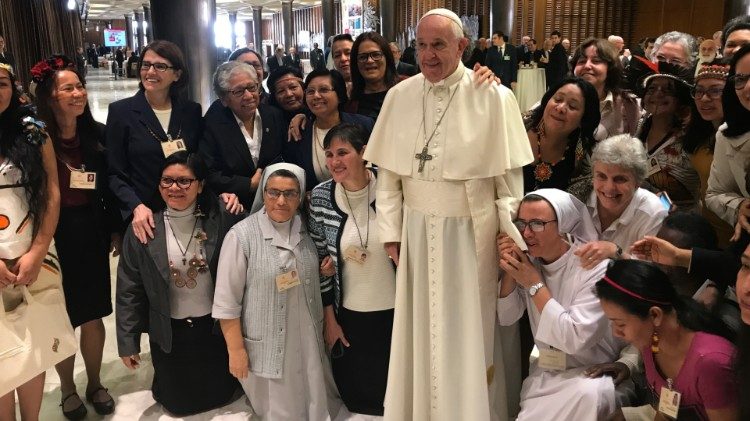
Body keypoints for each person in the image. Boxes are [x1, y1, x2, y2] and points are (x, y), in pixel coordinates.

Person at [362, 8, 534, 420]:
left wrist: (510, 236)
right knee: (421, 327)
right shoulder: (399, 96)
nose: (428, 55)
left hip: (472, 233)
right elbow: (389, 178)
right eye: (421, 45)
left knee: (468, 330)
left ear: (462, 46)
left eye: (438, 44)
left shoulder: (493, 96)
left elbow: (509, 183)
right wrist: (391, 233)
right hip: (416, 231)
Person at [116, 152, 243, 416]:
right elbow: (129, 287)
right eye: (167, 181)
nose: (175, 188)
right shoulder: (143, 227)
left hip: (214, 329)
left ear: (201, 185)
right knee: (177, 402)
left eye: (185, 181)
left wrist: (232, 198)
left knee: (222, 394)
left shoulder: (221, 216)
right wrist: (128, 342)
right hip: (169, 331)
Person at [212, 163, 342, 419]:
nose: (281, 201)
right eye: (273, 192)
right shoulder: (241, 236)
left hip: (306, 337)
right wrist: (235, 350)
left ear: (301, 196)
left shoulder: (307, 230)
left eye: (290, 193)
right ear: (263, 192)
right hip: (269, 342)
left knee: (313, 397)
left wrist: (323, 270)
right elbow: (227, 301)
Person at [31, 55, 119, 419]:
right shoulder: (35, 138)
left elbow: (111, 185)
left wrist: (115, 228)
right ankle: (67, 388)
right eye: (68, 88)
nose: (78, 93)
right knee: (59, 314)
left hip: (90, 229)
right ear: (50, 97)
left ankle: (95, 382)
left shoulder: (96, 135)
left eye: (80, 86)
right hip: (51, 234)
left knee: (93, 312)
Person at [497, 189, 629, 420]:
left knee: (588, 396)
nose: (527, 233)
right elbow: (507, 317)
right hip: (547, 374)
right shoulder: (532, 263)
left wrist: (534, 284)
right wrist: (511, 266)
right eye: (522, 224)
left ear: (564, 225)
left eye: (537, 224)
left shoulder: (594, 268)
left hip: (592, 374)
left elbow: (574, 338)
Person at [308, 124, 396, 416]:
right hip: (349, 316)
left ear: (364, 153)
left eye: (343, 152)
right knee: (358, 403)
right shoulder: (321, 197)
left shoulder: (392, 187)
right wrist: (330, 320)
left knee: (396, 399)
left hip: (397, 312)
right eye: (329, 154)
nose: (334, 161)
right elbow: (321, 265)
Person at [595, 259, 738, 420]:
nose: (616, 333)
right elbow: (669, 407)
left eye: (620, 324)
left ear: (655, 315)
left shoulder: (711, 363)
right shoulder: (652, 343)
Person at [0, 63, 61, 421]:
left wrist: (38, 250)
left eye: (2, 84)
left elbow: (51, 191)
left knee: (34, 344)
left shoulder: (34, 132)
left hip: (31, 254)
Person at [106, 40, 203, 244]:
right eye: (146, 65)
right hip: (143, 215)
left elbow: (199, 161)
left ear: (177, 74)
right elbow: (115, 173)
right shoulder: (121, 112)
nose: (150, 71)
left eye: (160, 66)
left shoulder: (191, 111)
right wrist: (135, 207)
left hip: (186, 211)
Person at [573, 135, 667, 270]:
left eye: (620, 179)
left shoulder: (653, 213)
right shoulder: (578, 197)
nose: (609, 188)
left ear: (638, 182)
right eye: (602, 176)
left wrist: (615, 252)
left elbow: (649, 272)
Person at [201, 61, 285, 209]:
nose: (248, 96)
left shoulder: (274, 116)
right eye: (238, 91)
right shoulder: (212, 125)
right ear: (224, 99)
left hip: (276, 203)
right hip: (235, 206)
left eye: (252, 87)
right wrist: (249, 185)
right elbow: (210, 173)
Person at [283, 68, 373, 191]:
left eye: (323, 90)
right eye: (310, 91)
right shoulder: (299, 132)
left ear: (340, 95)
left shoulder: (363, 125)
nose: (316, 96)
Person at [629, 57, 701, 211]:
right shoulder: (640, 126)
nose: (658, 94)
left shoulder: (691, 136)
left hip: (680, 221)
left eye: (668, 90)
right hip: (640, 213)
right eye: (651, 89)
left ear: (680, 99)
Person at [684, 61, 733, 246]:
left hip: (735, 236)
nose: (704, 98)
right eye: (699, 91)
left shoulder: (741, 139)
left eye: (715, 91)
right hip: (706, 230)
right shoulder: (700, 134)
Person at [522, 77, 600, 192]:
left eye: (572, 106)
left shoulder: (584, 156)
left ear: (583, 120)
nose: (560, 108)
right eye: (558, 99)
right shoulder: (520, 126)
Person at [706, 44, 750, 242]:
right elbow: (715, 194)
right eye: (741, 79)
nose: (748, 88)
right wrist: (739, 206)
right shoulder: (727, 135)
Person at [571, 38, 641, 142]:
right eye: (582, 61)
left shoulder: (628, 105)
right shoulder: (558, 100)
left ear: (611, 68)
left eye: (596, 61)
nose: (587, 66)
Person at [347, 31, 404, 120]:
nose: (369, 61)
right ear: (356, 63)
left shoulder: (405, 87)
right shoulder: (351, 103)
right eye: (362, 57)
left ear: (387, 58)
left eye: (376, 54)